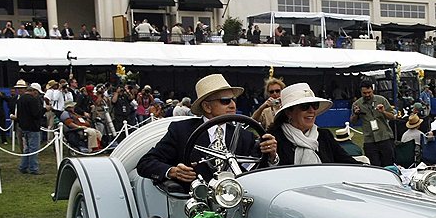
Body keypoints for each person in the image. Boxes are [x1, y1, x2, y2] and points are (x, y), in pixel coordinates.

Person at [136, 74, 277, 189]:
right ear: (207, 107)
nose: (233, 105)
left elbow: (257, 169)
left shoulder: (244, 136)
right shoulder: (181, 131)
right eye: (225, 101)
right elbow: (146, 163)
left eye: (233, 100)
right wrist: (173, 171)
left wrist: (271, 155)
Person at [267, 83, 362, 165]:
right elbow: (264, 172)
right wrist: (272, 158)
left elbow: (347, 162)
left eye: (315, 105)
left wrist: (371, 170)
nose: (311, 110)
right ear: (289, 112)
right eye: (304, 106)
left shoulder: (324, 136)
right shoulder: (274, 139)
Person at [350, 80, 396, 166]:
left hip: (384, 137)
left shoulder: (381, 100)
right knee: (374, 166)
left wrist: (383, 112)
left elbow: (393, 117)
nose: (367, 95)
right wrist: (356, 114)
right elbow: (353, 121)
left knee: (388, 165)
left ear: (372, 90)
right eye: (364, 93)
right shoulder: (357, 104)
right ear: (361, 92)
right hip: (369, 140)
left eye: (369, 92)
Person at [16, 82, 45, 175]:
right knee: (34, 149)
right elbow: (36, 114)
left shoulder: (21, 99)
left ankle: (23, 166)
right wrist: (45, 109)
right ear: (34, 91)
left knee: (27, 148)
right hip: (33, 127)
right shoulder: (32, 100)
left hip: (24, 126)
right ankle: (33, 168)